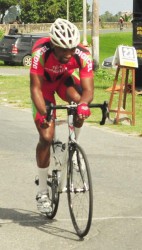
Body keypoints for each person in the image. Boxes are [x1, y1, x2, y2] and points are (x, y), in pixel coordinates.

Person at [30, 18, 94, 213]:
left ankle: (72, 149)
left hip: (63, 83)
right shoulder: (40, 51)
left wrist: (83, 105)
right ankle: (42, 191)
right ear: (53, 44)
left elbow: (88, 90)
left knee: (78, 106)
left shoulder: (83, 54)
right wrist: (44, 114)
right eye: (63, 50)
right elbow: (35, 88)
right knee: (46, 137)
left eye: (72, 49)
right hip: (44, 90)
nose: (68, 54)